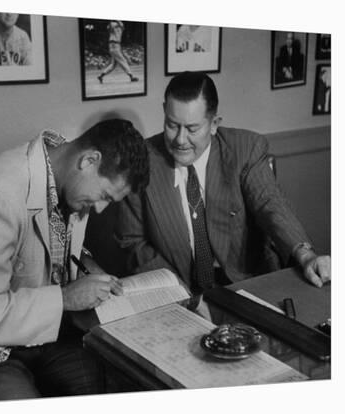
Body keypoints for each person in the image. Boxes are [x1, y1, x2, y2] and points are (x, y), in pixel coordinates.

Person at [0, 119, 150, 404]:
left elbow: (48, 246)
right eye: (104, 195)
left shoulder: (68, 180)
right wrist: (66, 299)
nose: (99, 208)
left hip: (39, 336)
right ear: (89, 160)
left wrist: (86, 262)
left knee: (115, 387)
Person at [116, 71, 330, 297]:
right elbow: (133, 242)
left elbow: (270, 205)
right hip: (179, 292)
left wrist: (305, 255)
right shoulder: (143, 161)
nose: (180, 139)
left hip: (246, 285)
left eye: (192, 129)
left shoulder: (245, 149)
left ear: (214, 124)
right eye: (171, 125)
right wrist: (179, 292)